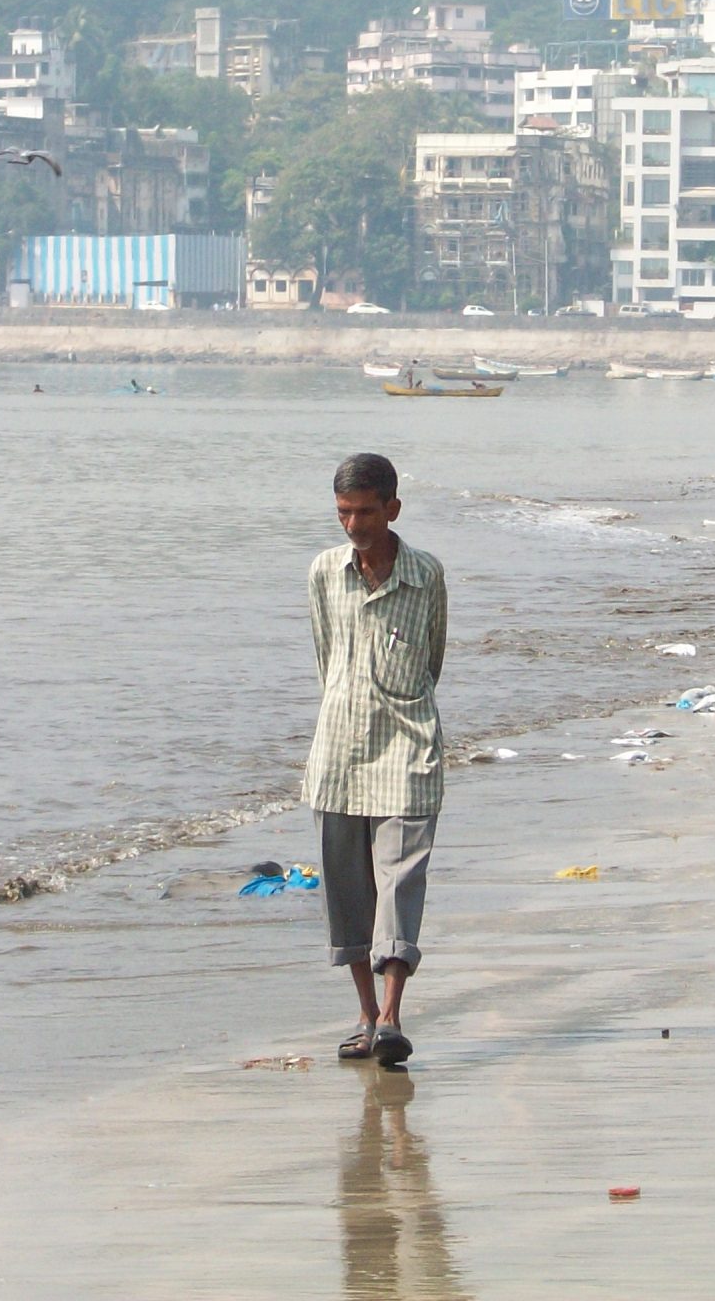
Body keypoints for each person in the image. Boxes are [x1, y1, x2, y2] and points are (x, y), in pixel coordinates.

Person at [304, 452, 448, 1070]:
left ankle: (391, 1016)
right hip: (337, 755)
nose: (354, 524)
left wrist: (398, 703)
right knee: (349, 894)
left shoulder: (425, 577)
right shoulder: (323, 574)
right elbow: (325, 658)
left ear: (392, 508)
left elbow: (432, 660)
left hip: (407, 751)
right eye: (344, 512)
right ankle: (366, 1017)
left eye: (365, 511)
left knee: (399, 885)